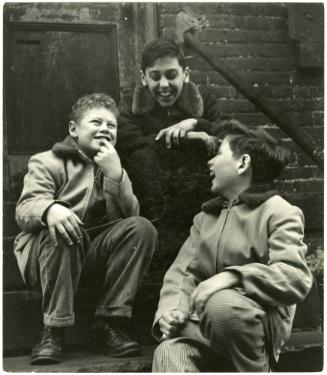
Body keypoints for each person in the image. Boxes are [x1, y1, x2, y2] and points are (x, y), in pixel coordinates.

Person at [151, 119, 313, 372]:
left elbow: (295, 277)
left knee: (222, 304)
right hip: (205, 323)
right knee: (170, 350)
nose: (210, 162)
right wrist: (171, 312)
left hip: (254, 323)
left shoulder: (279, 211)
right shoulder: (205, 219)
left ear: (243, 163)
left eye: (218, 154)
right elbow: (183, 273)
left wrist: (230, 278)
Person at [14, 93, 157, 365]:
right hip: (47, 258)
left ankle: (110, 321)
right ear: (73, 129)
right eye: (96, 122)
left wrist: (116, 176)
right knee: (64, 227)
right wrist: (49, 209)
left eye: (111, 125)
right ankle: (53, 329)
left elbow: (128, 221)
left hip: (88, 259)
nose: (105, 129)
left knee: (142, 228)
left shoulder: (113, 166)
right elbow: (25, 208)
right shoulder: (46, 161)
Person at [118, 38, 224, 219]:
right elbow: (128, 143)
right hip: (154, 200)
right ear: (144, 78)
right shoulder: (130, 104)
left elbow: (228, 135)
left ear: (186, 74)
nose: (164, 85)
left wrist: (197, 123)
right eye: (155, 77)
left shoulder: (204, 100)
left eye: (171, 75)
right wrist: (190, 137)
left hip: (197, 194)